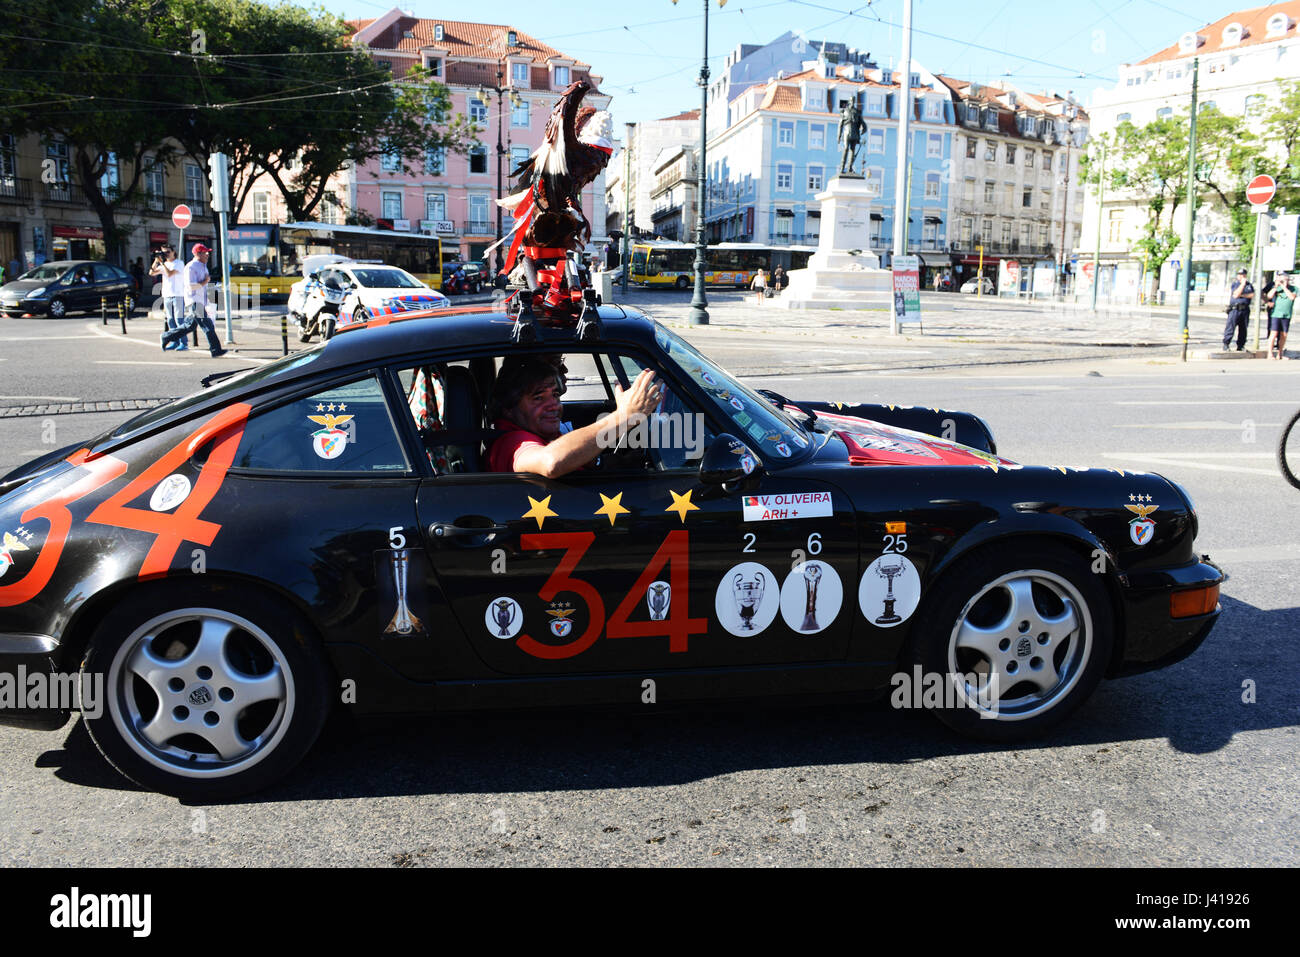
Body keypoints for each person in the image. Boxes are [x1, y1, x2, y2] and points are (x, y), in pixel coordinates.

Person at [486, 356, 660, 477]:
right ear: (509, 408)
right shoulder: (513, 442)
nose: (553, 405)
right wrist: (624, 417)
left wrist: (603, 463)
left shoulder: (539, 434)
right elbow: (551, 462)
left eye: (555, 395)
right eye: (538, 398)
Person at [161, 243, 226, 357]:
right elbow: (190, 286)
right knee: (208, 326)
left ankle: (166, 336)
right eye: (205, 252)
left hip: (200, 300)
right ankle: (216, 350)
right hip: (194, 300)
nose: (207, 254)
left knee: (189, 326)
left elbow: (204, 283)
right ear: (197, 254)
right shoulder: (191, 267)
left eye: (207, 252)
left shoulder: (203, 265)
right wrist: (205, 282)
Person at [150, 246, 187, 350]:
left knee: (179, 320)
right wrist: (156, 261)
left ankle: (184, 343)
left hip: (178, 295)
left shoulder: (179, 263)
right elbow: (151, 273)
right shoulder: (164, 264)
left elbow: (170, 274)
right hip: (167, 295)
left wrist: (162, 264)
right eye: (164, 252)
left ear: (173, 252)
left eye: (167, 252)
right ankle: (174, 342)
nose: (166, 254)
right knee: (170, 320)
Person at [1223, 268, 1253, 352]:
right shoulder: (1235, 284)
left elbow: (1252, 295)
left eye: (1243, 274)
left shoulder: (1249, 285)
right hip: (1235, 309)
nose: (1241, 276)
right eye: (1239, 274)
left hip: (1245, 309)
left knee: (1243, 329)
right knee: (1230, 327)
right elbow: (1235, 295)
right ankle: (1226, 344)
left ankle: (1240, 345)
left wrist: (1242, 295)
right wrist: (1242, 286)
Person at [1267, 272, 1295, 360]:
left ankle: (1280, 354)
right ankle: (1270, 354)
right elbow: (1269, 296)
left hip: (1286, 315)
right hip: (1276, 314)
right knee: (1274, 334)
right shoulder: (1276, 288)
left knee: (1284, 335)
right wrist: (1276, 286)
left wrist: (1284, 286)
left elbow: (1292, 297)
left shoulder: (1293, 288)